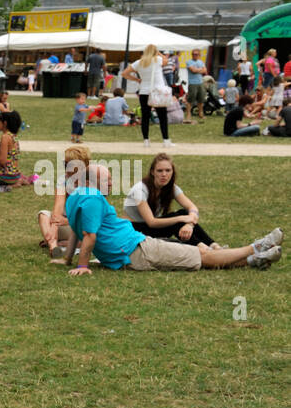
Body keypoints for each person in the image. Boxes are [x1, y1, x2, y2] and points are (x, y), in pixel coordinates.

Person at [55, 146, 281, 274]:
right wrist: (82, 265)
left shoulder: (75, 197)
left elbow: (76, 229)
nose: (112, 184)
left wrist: (67, 259)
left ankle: (255, 259)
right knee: (200, 257)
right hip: (136, 249)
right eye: (108, 180)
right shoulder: (94, 199)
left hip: (138, 242)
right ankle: (255, 247)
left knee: (201, 254)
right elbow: (88, 235)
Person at [123, 154, 216, 246]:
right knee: (177, 219)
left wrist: (189, 224)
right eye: (159, 171)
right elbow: (151, 222)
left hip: (150, 228)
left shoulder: (170, 188)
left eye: (168, 170)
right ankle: (203, 249)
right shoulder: (140, 190)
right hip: (135, 230)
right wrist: (181, 218)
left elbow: (192, 207)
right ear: (152, 172)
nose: (164, 174)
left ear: (172, 172)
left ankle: (214, 246)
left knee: (183, 212)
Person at [120, 44, 171, 146]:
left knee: (145, 117)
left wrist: (137, 79)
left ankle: (146, 141)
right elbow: (166, 60)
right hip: (157, 92)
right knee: (162, 116)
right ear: (155, 52)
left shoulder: (139, 63)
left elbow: (124, 73)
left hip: (144, 92)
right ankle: (166, 140)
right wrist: (159, 53)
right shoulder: (158, 60)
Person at [184, 48, 207, 121]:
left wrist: (197, 70)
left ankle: (200, 114)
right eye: (193, 54)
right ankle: (188, 114)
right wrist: (200, 69)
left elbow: (205, 71)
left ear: (199, 55)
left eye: (196, 54)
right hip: (192, 83)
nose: (194, 55)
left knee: (201, 100)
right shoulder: (189, 62)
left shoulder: (201, 62)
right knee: (190, 100)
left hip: (200, 82)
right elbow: (193, 70)